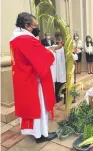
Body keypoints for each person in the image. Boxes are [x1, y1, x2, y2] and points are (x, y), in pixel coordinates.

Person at [10, 12, 63, 143]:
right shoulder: (26, 40)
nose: (37, 28)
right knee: (39, 107)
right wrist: (51, 51)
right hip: (33, 81)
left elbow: (35, 52)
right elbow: (42, 58)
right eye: (35, 25)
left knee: (31, 108)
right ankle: (41, 134)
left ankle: (34, 131)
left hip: (23, 79)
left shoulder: (15, 38)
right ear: (27, 26)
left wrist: (51, 48)